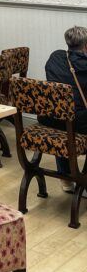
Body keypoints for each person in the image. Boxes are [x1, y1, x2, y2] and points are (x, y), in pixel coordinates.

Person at [43, 26, 87, 188]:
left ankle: (66, 178)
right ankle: (84, 179)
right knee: (71, 117)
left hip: (50, 119)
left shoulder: (55, 58)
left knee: (63, 114)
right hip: (80, 123)